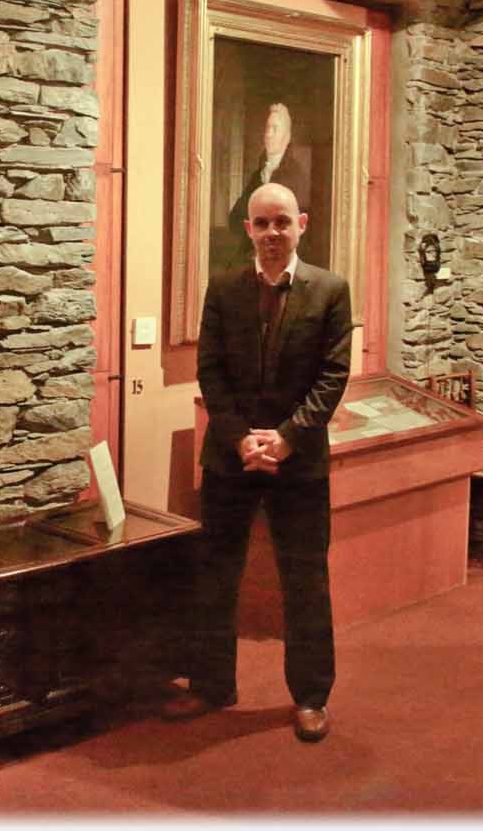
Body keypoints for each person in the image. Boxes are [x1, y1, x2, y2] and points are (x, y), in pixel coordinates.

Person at [186, 181, 352, 743]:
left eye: (282, 222)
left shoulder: (330, 289)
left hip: (298, 462)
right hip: (231, 459)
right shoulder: (224, 287)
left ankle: (311, 696)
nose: (272, 233)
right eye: (262, 223)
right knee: (216, 573)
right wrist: (239, 440)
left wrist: (286, 439)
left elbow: (332, 376)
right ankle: (212, 684)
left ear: (301, 223)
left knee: (306, 581)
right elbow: (210, 370)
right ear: (248, 229)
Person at [226, 102, 312, 244]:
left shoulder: (296, 176)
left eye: (274, 129)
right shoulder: (258, 175)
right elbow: (235, 221)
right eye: (267, 128)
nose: (268, 134)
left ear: (287, 137)